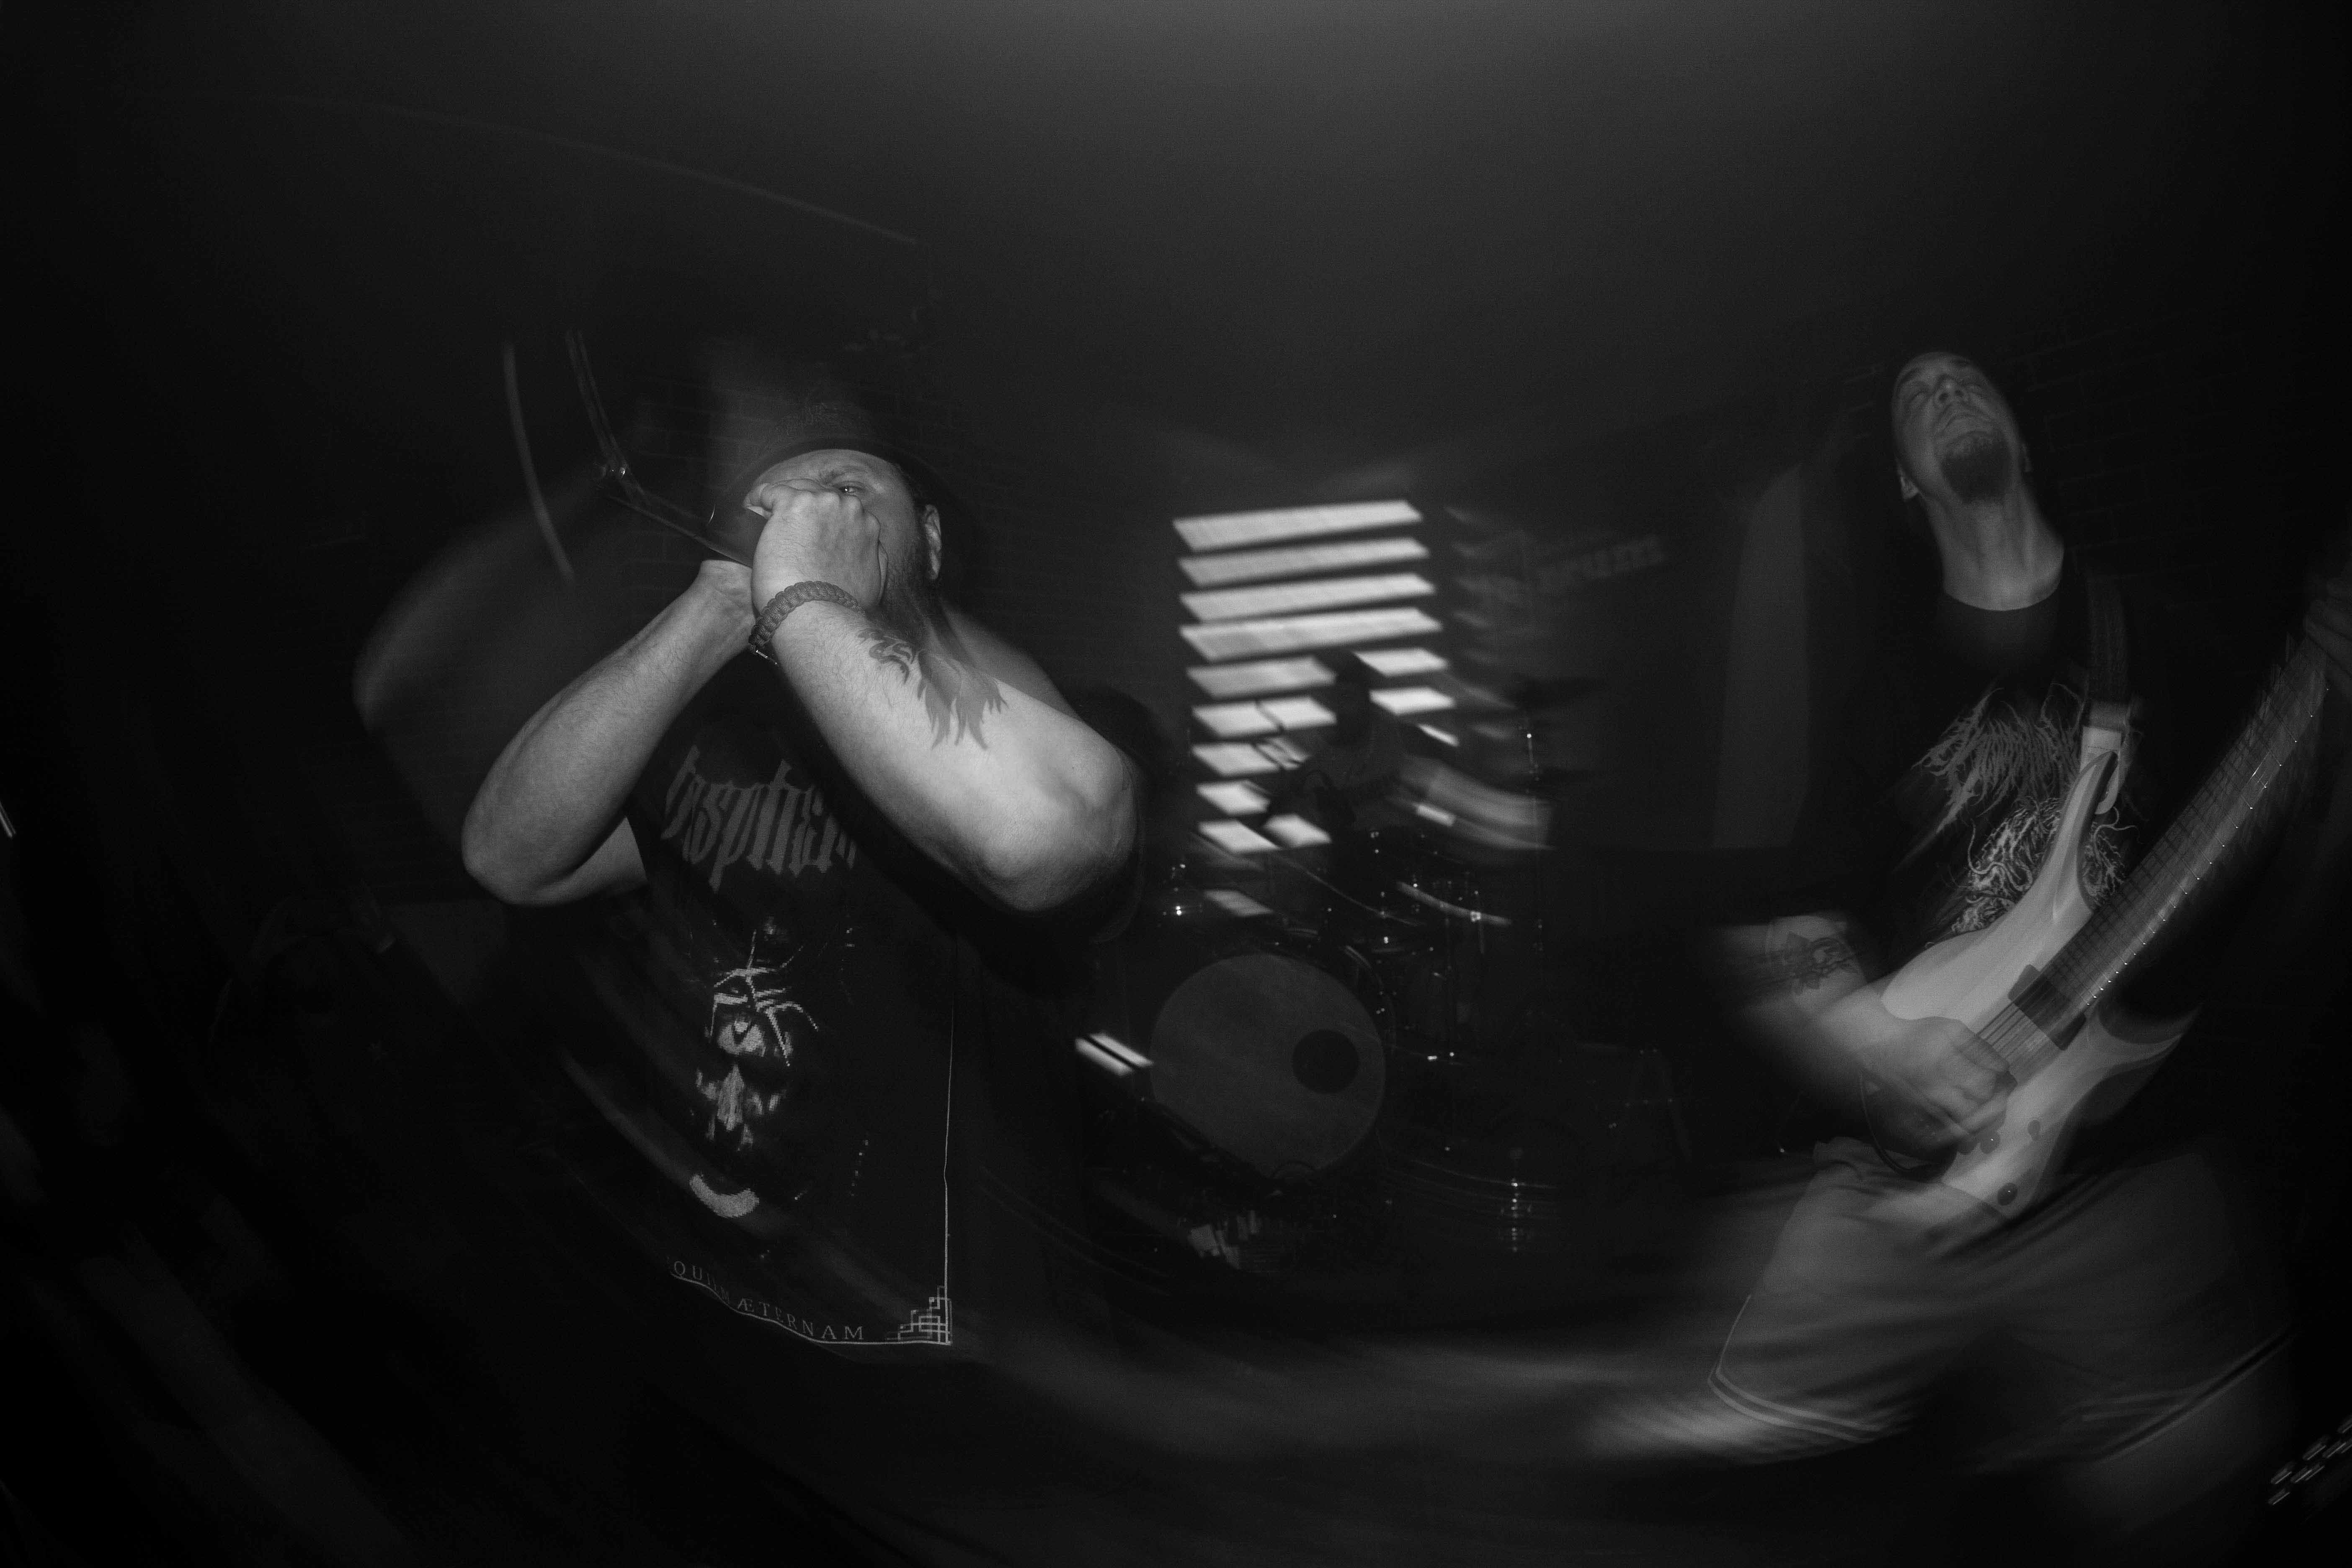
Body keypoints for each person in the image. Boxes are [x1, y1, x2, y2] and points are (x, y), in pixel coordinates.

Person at [1615, 349, 2352, 1551]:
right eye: (1915, 394)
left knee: (2196, 1504)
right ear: (1909, 485)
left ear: (2024, 437)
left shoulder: (2165, 638)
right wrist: (1872, 1054)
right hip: (1914, 1172)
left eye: (1968, 377)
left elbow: (2292, 861)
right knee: (1714, 1473)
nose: (1945, 388)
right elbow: (1790, 927)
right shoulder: (1879, 684)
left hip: (2133, 1184)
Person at [461, 404, 1139, 1360]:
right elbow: (511, 858)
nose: (802, 513)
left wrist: (808, 598)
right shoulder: (722, 744)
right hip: (717, 1329)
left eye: (846, 491)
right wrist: (711, 611)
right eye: (773, 505)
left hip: (951, 1370)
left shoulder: (1023, 714)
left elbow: (1034, 838)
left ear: (929, 541)